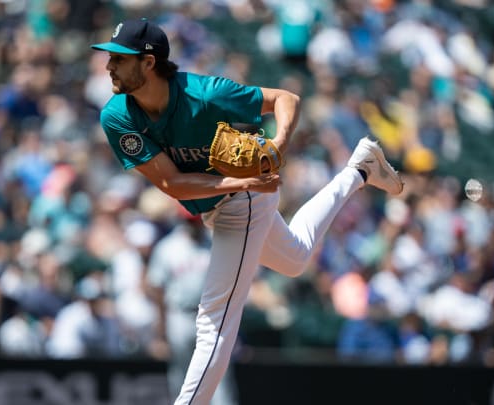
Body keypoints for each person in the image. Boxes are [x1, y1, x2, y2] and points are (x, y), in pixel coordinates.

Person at [91, 18, 403, 405]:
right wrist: (242, 182)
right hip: (230, 195)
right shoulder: (117, 115)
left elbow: (286, 99)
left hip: (244, 203)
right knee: (294, 258)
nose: (109, 65)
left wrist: (277, 147)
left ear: (149, 63)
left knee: (214, 317)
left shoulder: (205, 94)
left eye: (120, 58)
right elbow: (171, 184)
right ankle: (359, 170)